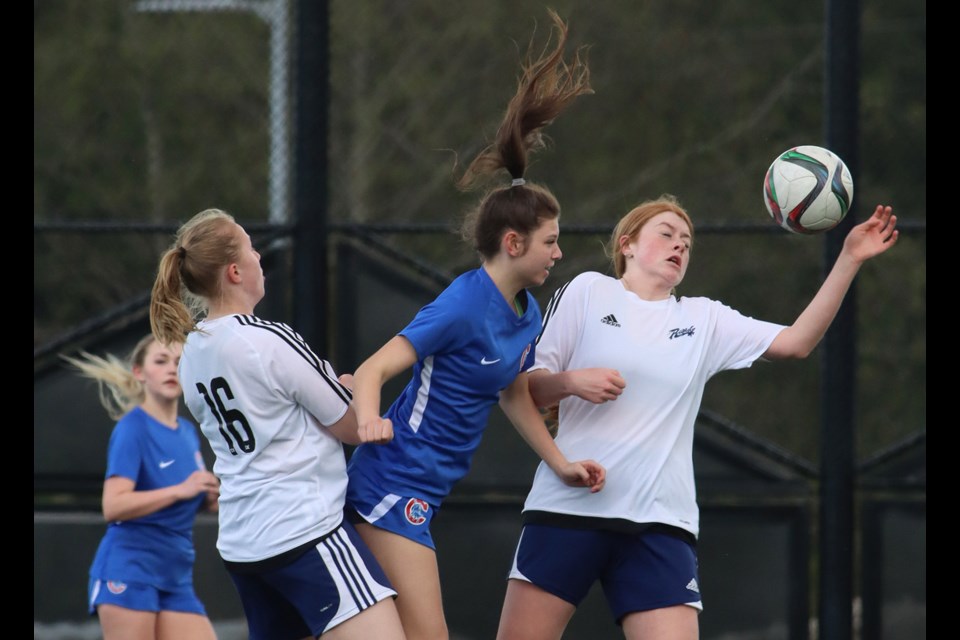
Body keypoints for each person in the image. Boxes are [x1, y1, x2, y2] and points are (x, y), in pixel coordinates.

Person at [494, 195, 900, 640]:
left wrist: (848, 259)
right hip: (566, 511)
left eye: (686, 242)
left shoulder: (703, 318)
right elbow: (525, 391)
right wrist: (573, 382)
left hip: (661, 525)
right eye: (666, 235)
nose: (679, 247)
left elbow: (796, 342)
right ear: (627, 245)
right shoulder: (589, 290)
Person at [344, 10, 604, 640]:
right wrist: (370, 416)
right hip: (389, 484)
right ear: (513, 243)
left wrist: (561, 461)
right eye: (550, 242)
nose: (559, 254)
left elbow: (512, 391)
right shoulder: (462, 306)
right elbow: (376, 368)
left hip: (422, 495)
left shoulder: (527, 311)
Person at [149, 209, 406, 640]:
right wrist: (351, 387)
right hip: (303, 533)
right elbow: (349, 425)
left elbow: (267, 413)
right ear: (234, 271)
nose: (259, 258)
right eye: (252, 249)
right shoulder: (266, 339)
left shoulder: (192, 352)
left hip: (243, 545)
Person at [64, 334, 220, 640]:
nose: (171, 370)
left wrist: (207, 496)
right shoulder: (132, 428)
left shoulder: (187, 432)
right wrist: (180, 490)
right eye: (161, 361)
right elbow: (113, 506)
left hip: (175, 576)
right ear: (139, 372)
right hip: (131, 571)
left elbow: (189, 495)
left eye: (178, 363)